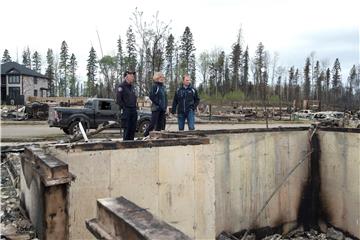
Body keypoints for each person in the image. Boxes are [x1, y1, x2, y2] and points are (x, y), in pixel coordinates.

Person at [144, 72, 168, 137]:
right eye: (160, 77)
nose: (162, 78)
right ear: (156, 78)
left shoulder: (163, 87)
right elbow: (151, 96)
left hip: (162, 109)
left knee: (160, 124)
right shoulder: (155, 86)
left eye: (162, 77)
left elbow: (165, 98)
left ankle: (157, 136)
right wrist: (158, 103)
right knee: (152, 124)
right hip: (156, 108)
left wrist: (165, 107)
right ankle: (145, 135)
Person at [116, 70, 137, 140]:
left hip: (133, 110)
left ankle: (131, 144)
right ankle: (126, 144)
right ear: (126, 76)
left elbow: (134, 98)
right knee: (127, 128)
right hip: (126, 110)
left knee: (133, 128)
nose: (133, 77)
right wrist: (124, 108)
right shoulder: (121, 86)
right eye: (131, 76)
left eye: (133, 76)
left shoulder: (132, 87)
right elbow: (118, 100)